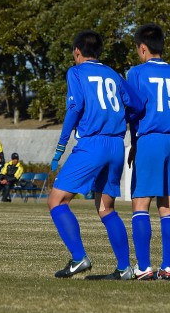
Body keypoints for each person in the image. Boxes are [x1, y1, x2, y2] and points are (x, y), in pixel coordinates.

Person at [48, 30, 143, 280]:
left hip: (93, 144)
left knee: (56, 201)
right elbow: (137, 104)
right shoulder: (113, 74)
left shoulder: (76, 72)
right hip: (116, 145)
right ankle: (125, 268)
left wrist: (60, 146)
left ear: (77, 52)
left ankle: (79, 258)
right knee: (106, 208)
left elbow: (75, 106)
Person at [126, 23, 170, 281]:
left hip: (150, 138)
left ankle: (143, 266)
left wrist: (133, 143)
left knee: (141, 202)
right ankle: (169, 265)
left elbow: (134, 110)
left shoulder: (137, 73)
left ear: (143, 48)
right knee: (167, 205)